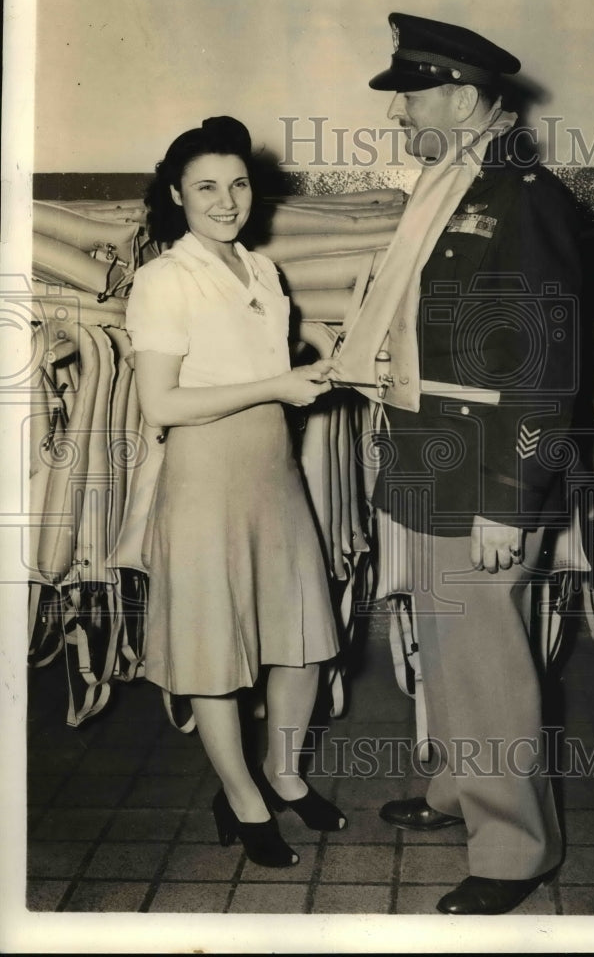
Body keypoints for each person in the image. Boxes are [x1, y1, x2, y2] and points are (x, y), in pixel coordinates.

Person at [336, 14, 583, 914]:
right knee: (442, 649)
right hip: (428, 457)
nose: (399, 111)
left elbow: (546, 372)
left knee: (487, 660)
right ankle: (455, 790)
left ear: (465, 98)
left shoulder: (526, 202)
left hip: (485, 475)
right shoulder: (448, 188)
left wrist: (511, 501)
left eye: (412, 92)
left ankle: (517, 849)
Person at [125, 115, 347, 869]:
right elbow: (164, 402)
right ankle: (242, 796)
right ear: (176, 195)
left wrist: (317, 350)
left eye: (239, 183)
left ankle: (284, 774)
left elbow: (254, 344)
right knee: (214, 652)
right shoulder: (163, 279)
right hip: (204, 481)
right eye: (207, 187)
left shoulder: (260, 269)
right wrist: (279, 384)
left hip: (272, 475)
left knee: (302, 642)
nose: (227, 200)